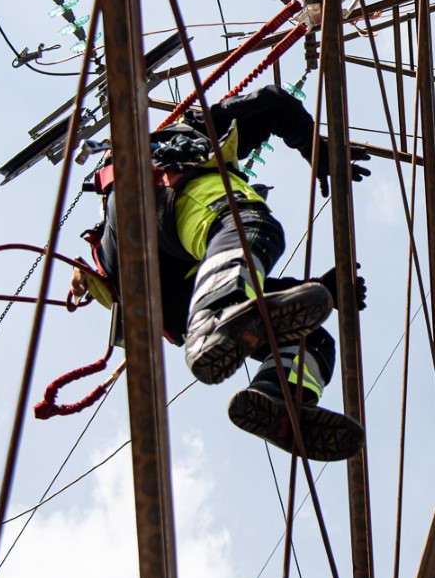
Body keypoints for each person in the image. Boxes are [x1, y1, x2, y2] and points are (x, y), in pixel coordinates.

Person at [73, 82, 370, 461]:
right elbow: (273, 102)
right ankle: (214, 319)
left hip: (165, 292)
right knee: (250, 228)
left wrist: (318, 288)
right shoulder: (197, 128)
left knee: (311, 338)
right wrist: (317, 148)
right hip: (161, 195)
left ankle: (278, 395)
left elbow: (238, 279)